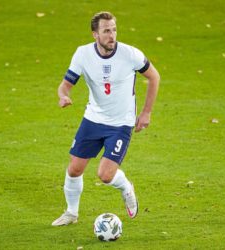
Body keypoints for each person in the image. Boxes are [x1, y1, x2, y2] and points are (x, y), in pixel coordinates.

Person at [52, 11, 160, 226]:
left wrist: (146, 112)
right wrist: (64, 96)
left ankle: (126, 187)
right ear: (95, 34)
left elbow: (154, 76)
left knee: (105, 174)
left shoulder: (130, 54)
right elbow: (66, 84)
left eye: (114, 29)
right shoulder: (82, 54)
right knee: (74, 169)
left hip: (121, 124)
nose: (112, 35)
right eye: (106, 31)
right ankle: (71, 213)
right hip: (93, 119)